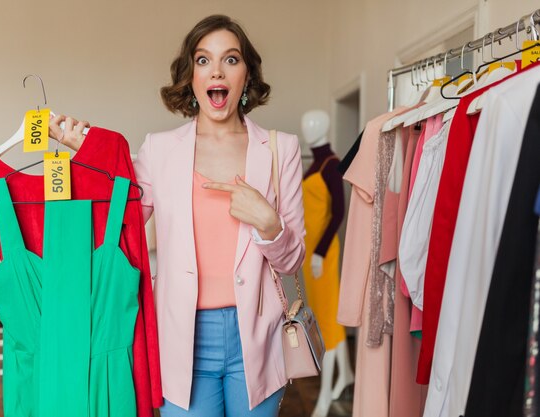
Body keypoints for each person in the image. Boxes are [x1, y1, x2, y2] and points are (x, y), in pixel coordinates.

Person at [49, 14, 305, 417]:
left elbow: (291, 261)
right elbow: (118, 219)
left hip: (257, 337)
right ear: (190, 78)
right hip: (180, 339)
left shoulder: (279, 149)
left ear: (247, 76)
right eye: (203, 60)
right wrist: (83, 150)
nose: (216, 70)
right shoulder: (159, 150)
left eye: (231, 59)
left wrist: (268, 223)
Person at [301, 110, 354, 417]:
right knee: (323, 315)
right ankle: (345, 374)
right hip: (311, 253)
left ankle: (325, 392)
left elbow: (338, 213)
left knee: (327, 320)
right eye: (306, 124)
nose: (308, 129)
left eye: (313, 124)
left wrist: (320, 251)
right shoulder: (317, 163)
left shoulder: (331, 165)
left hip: (323, 252)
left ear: (325, 127)